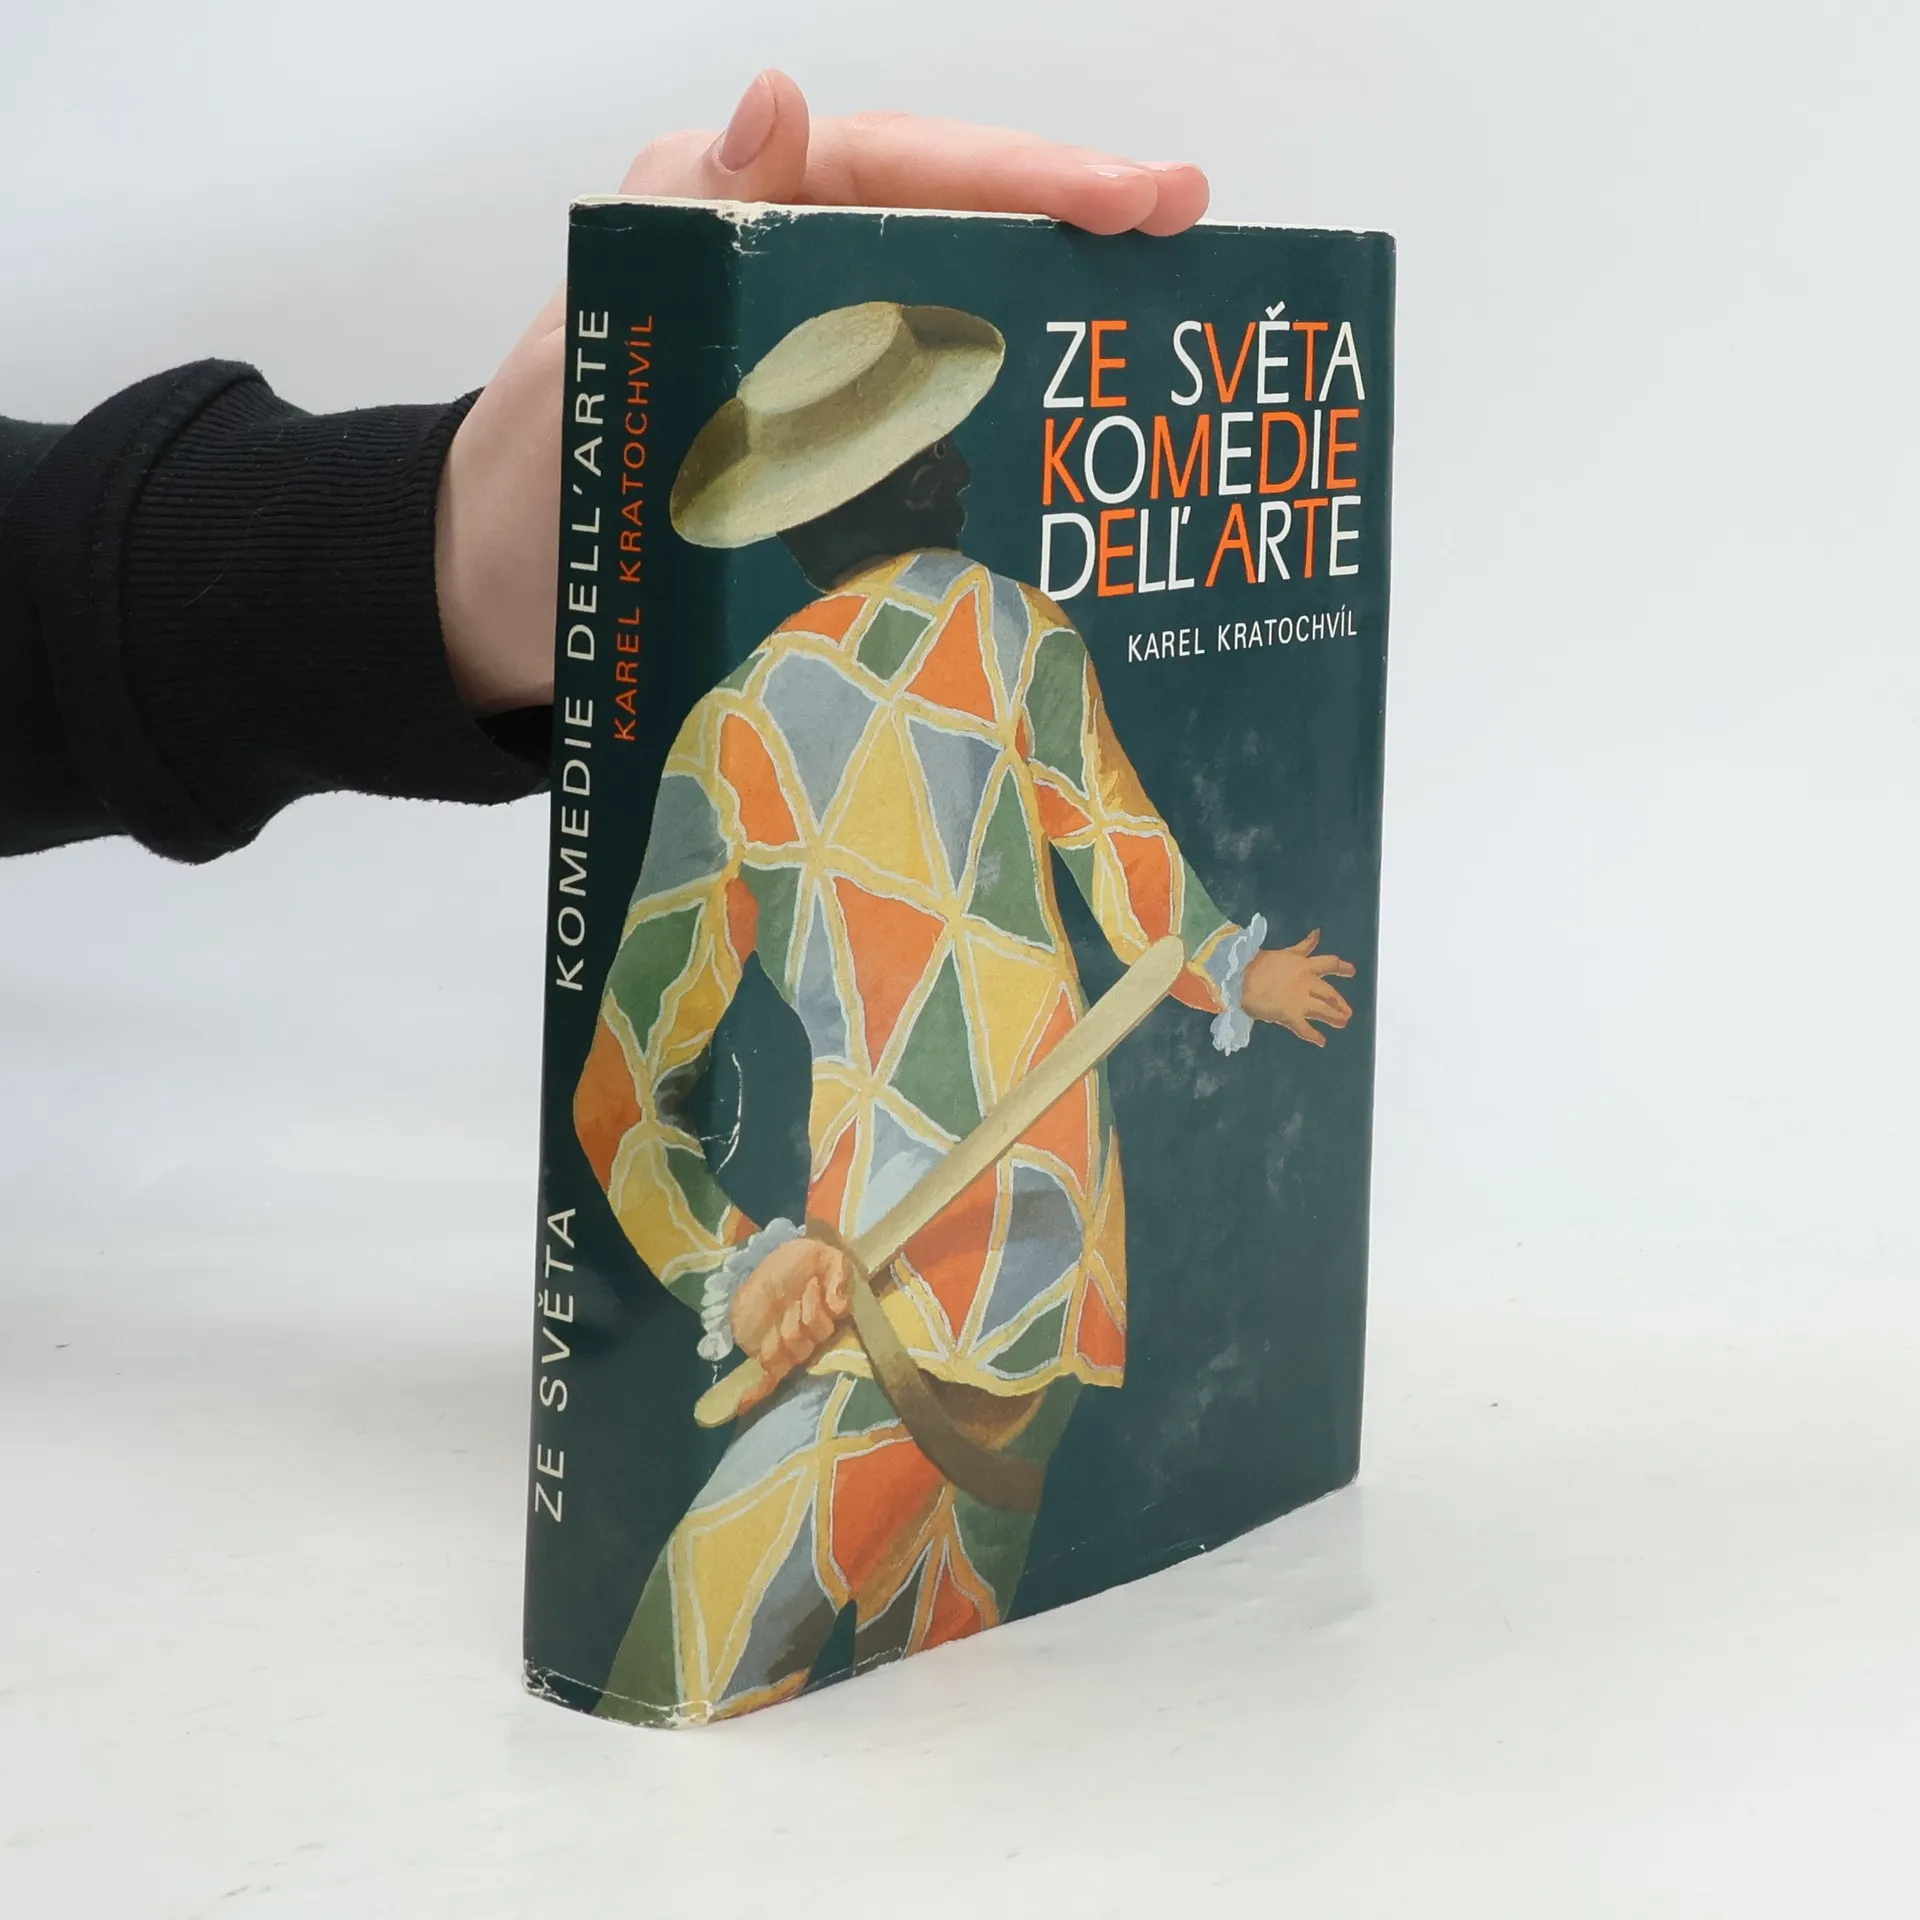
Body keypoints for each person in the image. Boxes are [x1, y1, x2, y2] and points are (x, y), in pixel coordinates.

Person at [576, 299, 1357, 1724]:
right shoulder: (1004, 628)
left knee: (712, 1672)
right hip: (1009, 1265)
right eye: (929, 445)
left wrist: (736, 1267)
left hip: (931, 1278)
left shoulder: (729, 730)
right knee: (880, 1668)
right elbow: (1132, 876)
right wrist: (1235, 972)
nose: (964, 464)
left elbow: (619, 1097)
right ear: (887, 480)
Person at [0, 71, 1211, 861]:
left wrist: (434, 553)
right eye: (917, 446)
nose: (960, 472)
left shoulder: (1016, 638)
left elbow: (1109, 837)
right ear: (821, 499)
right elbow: (664, 999)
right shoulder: (742, 727)